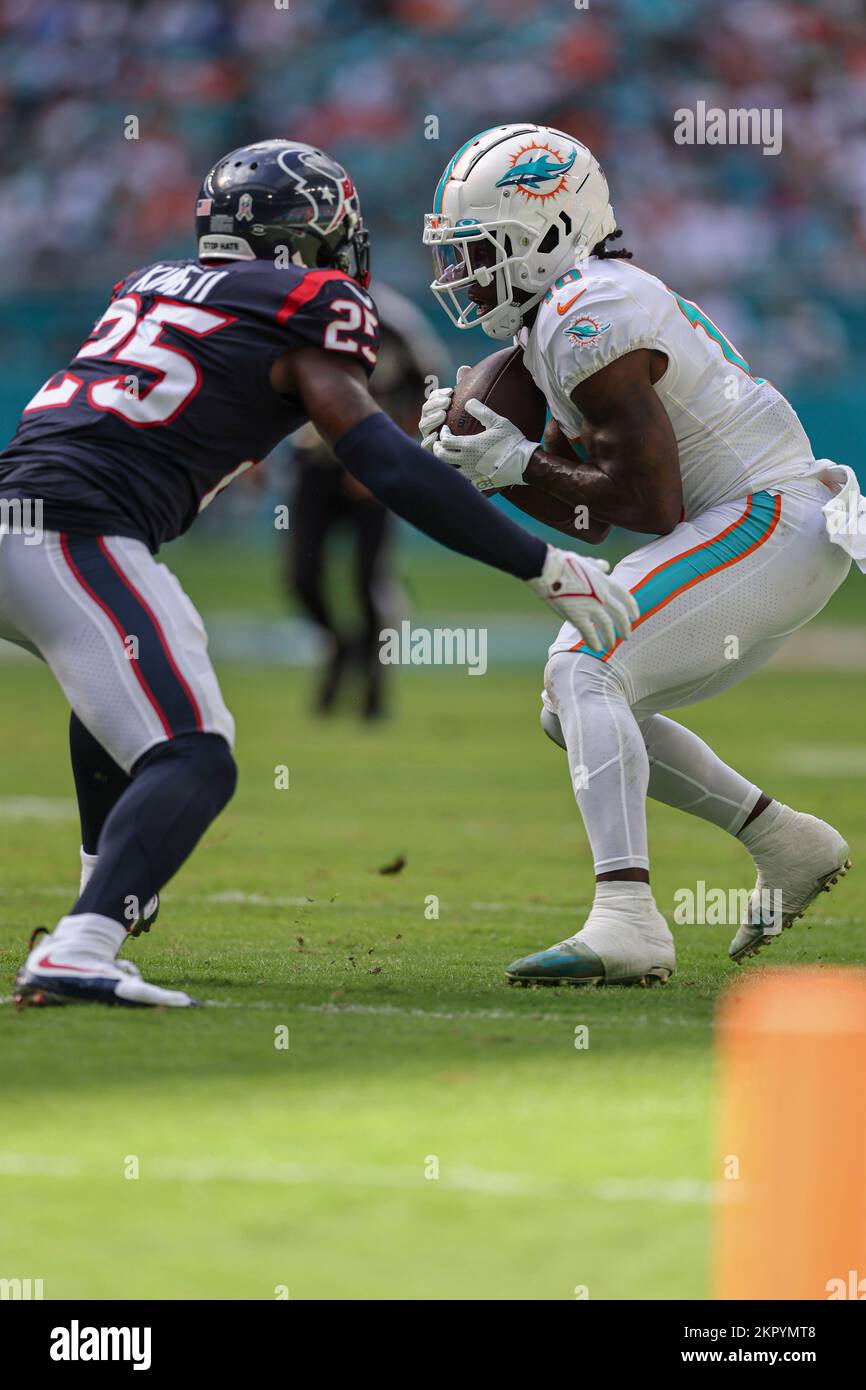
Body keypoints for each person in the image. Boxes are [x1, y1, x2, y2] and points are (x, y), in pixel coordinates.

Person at [0, 137, 636, 1008]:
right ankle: (82, 945)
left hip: (25, 520)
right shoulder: (310, 299)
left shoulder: (149, 283)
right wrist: (542, 562)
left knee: (118, 693)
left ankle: (101, 900)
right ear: (311, 235)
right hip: (76, 533)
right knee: (195, 755)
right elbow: (382, 457)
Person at [419, 122, 861, 986]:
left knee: (584, 664)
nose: (465, 277)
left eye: (481, 251)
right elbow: (592, 516)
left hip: (771, 517)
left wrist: (516, 461)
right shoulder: (571, 311)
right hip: (761, 529)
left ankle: (628, 920)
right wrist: (499, 472)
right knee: (571, 700)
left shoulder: (593, 313)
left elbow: (648, 505)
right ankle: (785, 838)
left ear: (544, 234)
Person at [287, 283, 448, 719]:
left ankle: (374, 686)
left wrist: (385, 451)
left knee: (367, 579)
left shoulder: (397, 322)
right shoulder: (304, 313)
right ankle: (341, 648)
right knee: (302, 574)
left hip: (371, 466)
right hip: (316, 459)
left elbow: (426, 392)